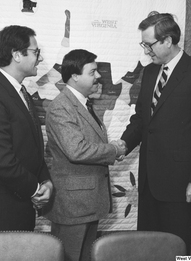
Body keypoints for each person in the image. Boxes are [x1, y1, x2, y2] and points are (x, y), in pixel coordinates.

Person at [119, 13, 191, 252]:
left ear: (167, 40)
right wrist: (123, 145)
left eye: (149, 44)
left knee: (177, 247)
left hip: (181, 184)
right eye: (143, 45)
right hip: (148, 182)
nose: (146, 51)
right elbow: (142, 119)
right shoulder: (151, 72)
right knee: (148, 249)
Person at [0, 25, 53, 235]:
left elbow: (32, 148)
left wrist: (46, 181)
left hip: (21, 208)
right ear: (16, 55)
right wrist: (35, 189)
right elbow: (0, 160)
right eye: (36, 52)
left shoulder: (22, 93)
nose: (39, 59)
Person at [43, 49, 126, 261]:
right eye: (93, 71)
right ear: (75, 76)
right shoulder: (61, 107)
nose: (98, 76)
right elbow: (77, 150)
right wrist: (114, 150)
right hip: (73, 206)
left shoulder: (83, 104)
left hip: (86, 203)